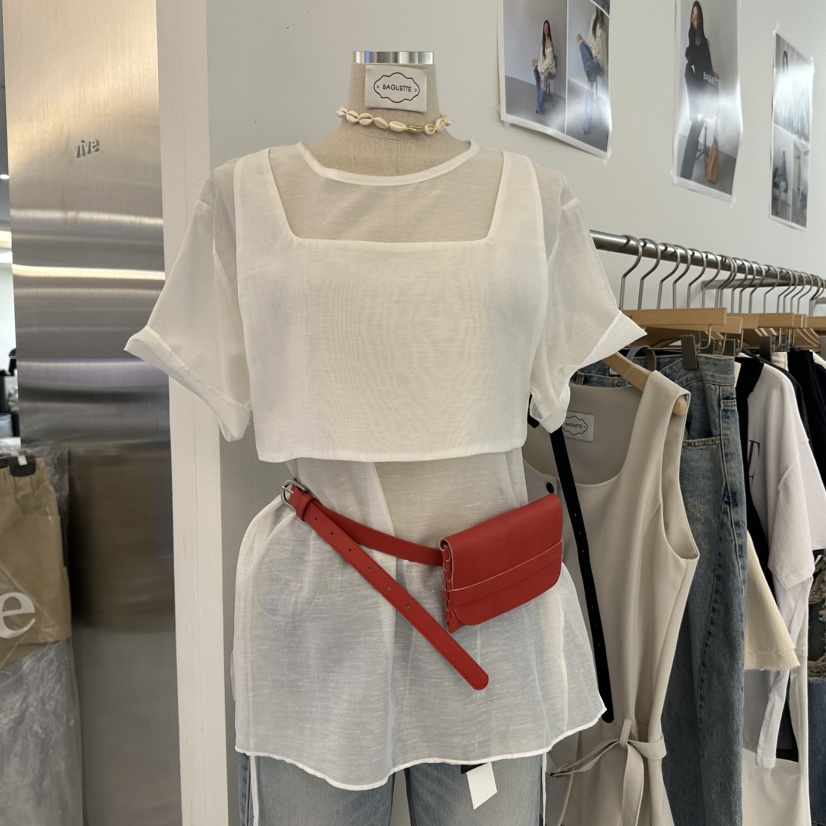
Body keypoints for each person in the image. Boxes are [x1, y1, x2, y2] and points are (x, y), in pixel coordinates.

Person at [679, 1, 717, 180]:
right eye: (692, 15)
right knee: (694, 132)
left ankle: (684, 175)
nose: (694, 18)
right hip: (697, 95)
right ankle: (685, 174)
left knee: (694, 131)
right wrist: (692, 34)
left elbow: (709, 70)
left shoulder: (705, 44)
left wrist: (712, 97)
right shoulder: (692, 40)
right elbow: (690, 59)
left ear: (700, 18)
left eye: (696, 15)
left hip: (706, 94)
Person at [576, 9, 607, 134]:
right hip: (590, 58)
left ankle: (586, 123)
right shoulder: (593, 19)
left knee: (590, 84)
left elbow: (602, 52)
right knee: (579, 39)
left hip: (597, 62)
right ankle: (589, 70)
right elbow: (589, 42)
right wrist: (583, 43)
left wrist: (604, 70)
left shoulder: (602, 26)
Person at [532, 20, 556, 115]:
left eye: (547, 28)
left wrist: (542, 68)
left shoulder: (549, 43)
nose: (545, 29)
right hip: (544, 66)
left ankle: (539, 107)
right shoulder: (543, 41)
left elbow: (549, 61)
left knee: (544, 77)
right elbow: (542, 57)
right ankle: (539, 102)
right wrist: (537, 63)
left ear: (549, 30)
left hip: (550, 68)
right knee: (534, 67)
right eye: (544, 27)